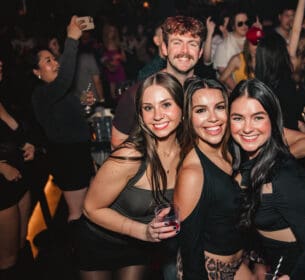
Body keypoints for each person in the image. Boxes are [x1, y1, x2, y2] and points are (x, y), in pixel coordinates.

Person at [75, 72, 181, 280]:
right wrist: (143, 232)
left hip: (138, 248)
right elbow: (90, 208)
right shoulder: (130, 156)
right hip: (100, 242)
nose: (157, 115)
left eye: (166, 105)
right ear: (141, 115)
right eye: (148, 108)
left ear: (182, 109)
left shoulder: (188, 154)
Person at [229, 79, 305, 279]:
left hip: (291, 268)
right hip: (265, 263)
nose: (247, 128)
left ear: (272, 121)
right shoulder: (240, 161)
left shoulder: (285, 177)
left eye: (257, 117)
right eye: (238, 118)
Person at [174, 77, 253, 279]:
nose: (213, 118)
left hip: (238, 264)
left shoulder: (233, 151)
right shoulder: (192, 173)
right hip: (209, 273)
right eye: (200, 110)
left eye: (219, 107)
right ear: (187, 117)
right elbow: (190, 250)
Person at [30, 16, 95, 224]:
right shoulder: (41, 94)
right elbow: (66, 78)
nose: (55, 62)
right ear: (36, 72)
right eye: (48, 61)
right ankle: (81, 255)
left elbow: (70, 120)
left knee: (91, 208)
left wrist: (84, 104)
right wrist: (72, 39)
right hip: (68, 159)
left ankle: (92, 250)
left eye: (54, 58)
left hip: (81, 153)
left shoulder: (58, 92)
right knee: (77, 214)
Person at [111, 15, 206, 149]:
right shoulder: (140, 93)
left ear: (200, 51)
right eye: (177, 43)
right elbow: (117, 144)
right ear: (164, 49)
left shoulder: (205, 93)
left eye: (192, 44)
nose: (184, 51)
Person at [0, 59, 35, 280]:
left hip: (20, 178)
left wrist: (26, 143)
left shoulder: (3, 95)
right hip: (2, 186)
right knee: (7, 260)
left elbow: (11, 133)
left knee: (21, 244)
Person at [219, 26, 264, 91]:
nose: (257, 46)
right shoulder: (238, 59)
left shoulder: (265, 59)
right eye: (255, 42)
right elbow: (221, 80)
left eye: (260, 43)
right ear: (248, 42)